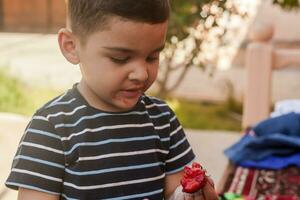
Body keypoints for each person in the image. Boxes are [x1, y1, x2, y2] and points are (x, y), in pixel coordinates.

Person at [5, 0, 218, 199]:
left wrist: (194, 193)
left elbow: (177, 190)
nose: (141, 74)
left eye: (152, 57)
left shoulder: (163, 121)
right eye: (120, 58)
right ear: (71, 46)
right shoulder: (51, 128)